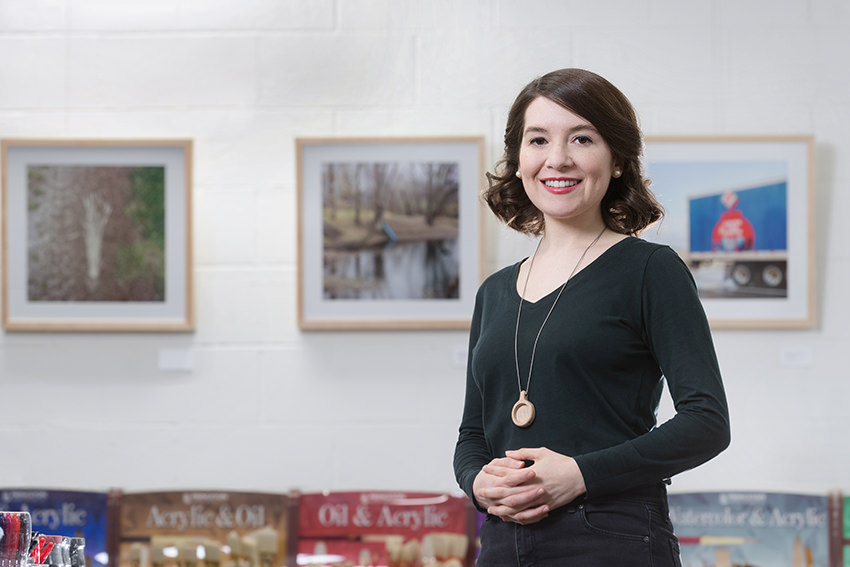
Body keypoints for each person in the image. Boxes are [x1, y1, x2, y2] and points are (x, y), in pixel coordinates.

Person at [453, 68, 730, 566]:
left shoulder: (650, 269)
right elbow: (473, 434)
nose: (557, 158)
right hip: (502, 542)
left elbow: (706, 422)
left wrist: (580, 475)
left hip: (610, 536)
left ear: (617, 159)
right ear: (519, 159)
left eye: (582, 138)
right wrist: (477, 483)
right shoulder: (493, 291)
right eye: (538, 139)